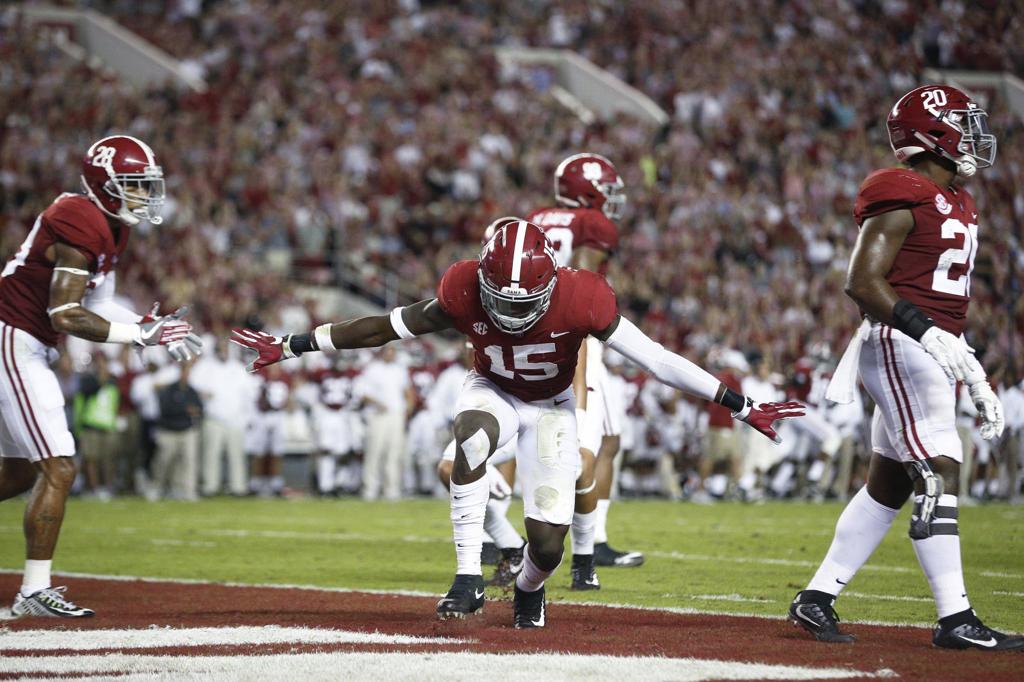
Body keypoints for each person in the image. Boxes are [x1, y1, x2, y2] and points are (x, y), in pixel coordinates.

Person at [232, 219, 803, 628]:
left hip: (553, 408)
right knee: (469, 440)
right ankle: (467, 577)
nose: (508, 312)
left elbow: (656, 359)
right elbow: (385, 326)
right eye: (497, 301)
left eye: (522, 301)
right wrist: (294, 344)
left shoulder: (583, 296)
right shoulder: (462, 289)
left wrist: (739, 403)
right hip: (494, 391)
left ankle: (528, 587)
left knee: (547, 547)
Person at [790, 85, 1023, 651]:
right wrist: (929, 334)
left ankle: (816, 598)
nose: (974, 134)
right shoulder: (902, 188)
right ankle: (955, 618)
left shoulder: (958, 199)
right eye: (962, 123)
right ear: (933, 133)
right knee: (940, 464)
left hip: (931, 343)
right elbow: (862, 282)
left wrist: (967, 366)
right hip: (902, 339)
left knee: (889, 483)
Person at [0, 135, 200, 618]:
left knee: (21, 471)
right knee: (59, 466)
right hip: (13, 337)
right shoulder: (79, 218)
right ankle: (33, 591)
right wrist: (139, 337)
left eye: (146, 185)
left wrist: (146, 326)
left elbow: (99, 304)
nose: (144, 194)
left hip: (27, 341)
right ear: (103, 184)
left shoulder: (111, 226)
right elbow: (66, 314)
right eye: (134, 184)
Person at [526, 153, 641, 580]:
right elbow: (581, 280)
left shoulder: (538, 217)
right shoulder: (591, 223)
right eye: (605, 190)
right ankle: (586, 549)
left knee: (608, 439)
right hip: (579, 336)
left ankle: (590, 540)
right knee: (587, 447)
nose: (611, 199)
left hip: (540, 329)